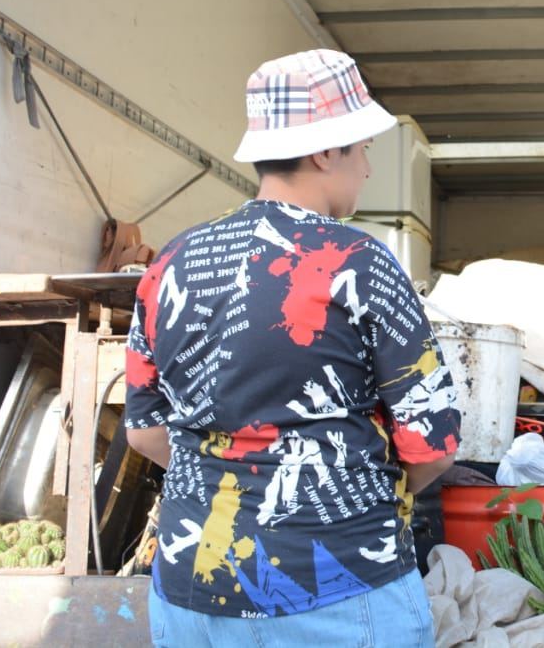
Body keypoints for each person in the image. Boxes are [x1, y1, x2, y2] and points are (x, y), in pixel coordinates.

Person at [125, 50, 459, 646]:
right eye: (362, 150)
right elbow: (431, 447)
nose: (367, 170)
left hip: (192, 594)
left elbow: (145, 432)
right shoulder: (359, 263)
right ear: (324, 151)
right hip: (338, 590)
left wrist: (231, 486)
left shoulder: (170, 264)